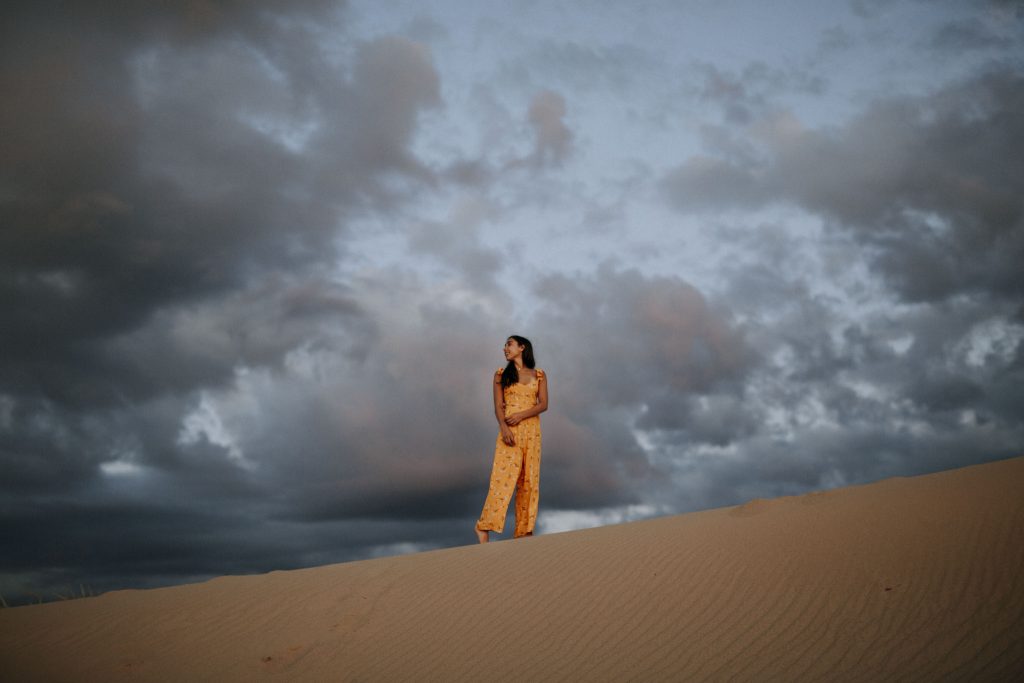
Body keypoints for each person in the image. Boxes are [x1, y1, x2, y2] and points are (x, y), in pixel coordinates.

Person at [475, 335, 549, 543]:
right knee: (503, 478)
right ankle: (484, 525)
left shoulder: (539, 374)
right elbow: (498, 406)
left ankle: (524, 531)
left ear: (522, 347)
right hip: (510, 432)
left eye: (509, 344)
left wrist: (521, 415)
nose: (505, 348)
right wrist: (504, 427)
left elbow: (543, 404)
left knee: (530, 480)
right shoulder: (500, 374)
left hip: (532, 432)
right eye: (505, 345)